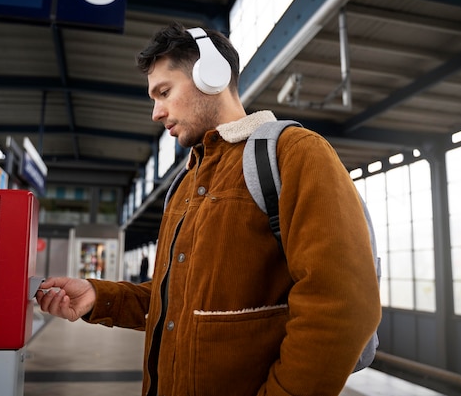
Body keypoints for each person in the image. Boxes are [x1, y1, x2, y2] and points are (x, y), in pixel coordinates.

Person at [36, 21, 381, 396]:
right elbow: (177, 301)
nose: (156, 112)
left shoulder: (294, 153)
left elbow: (342, 304)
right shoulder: (183, 186)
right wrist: (99, 297)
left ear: (211, 76)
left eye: (164, 92)